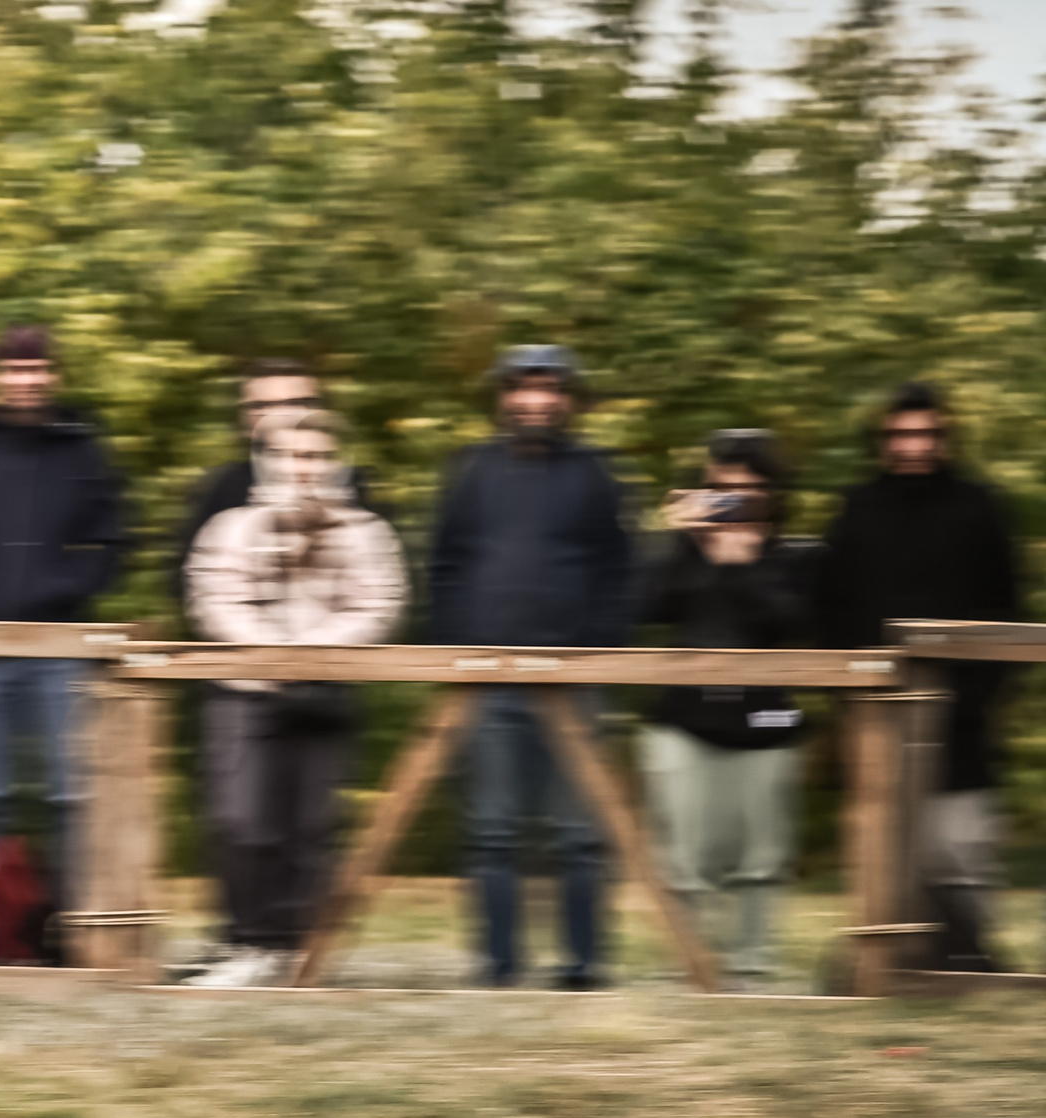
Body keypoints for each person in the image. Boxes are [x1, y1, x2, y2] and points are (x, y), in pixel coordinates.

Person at [428, 345, 633, 989]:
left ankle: (583, 965)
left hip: (576, 680)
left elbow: (620, 568)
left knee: (580, 834)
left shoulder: (596, 472)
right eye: (522, 387)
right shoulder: (470, 468)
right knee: (491, 831)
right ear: (503, 398)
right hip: (487, 680)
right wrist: (455, 651)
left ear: (568, 399)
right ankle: (498, 965)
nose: (536, 400)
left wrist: (595, 651)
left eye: (549, 388)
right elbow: (444, 562)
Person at [187, 409, 405, 988]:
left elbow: (378, 604)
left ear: (335, 463)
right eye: (290, 455)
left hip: (325, 691)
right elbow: (215, 600)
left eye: (315, 456)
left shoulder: (366, 532)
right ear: (266, 461)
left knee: (312, 827)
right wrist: (274, 658)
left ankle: (296, 950)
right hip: (246, 693)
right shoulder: (231, 527)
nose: (302, 468)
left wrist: (311, 657)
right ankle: (247, 942)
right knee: (241, 822)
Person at [817, 382, 1026, 971]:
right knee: (883, 851)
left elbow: (1007, 612)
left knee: (960, 850)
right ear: (884, 440)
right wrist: (851, 694)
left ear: (944, 438)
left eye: (926, 434)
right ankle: (888, 964)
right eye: (902, 434)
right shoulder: (856, 510)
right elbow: (828, 611)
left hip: (962, 720)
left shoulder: (980, 508)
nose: (913, 446)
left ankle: (966, 963)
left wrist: (976, 698)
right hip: (875, 718)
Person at [0, 325, 126, 881]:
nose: (26, 380)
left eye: (36, 369)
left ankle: (72, 913)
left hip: (60, 644)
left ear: (54, 375)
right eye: (14, 369)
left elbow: (114, 535)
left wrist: (66, 587)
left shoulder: (85, 446)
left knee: (70, 791)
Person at [635, 431, 814, 985]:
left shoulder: (795, 556)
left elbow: (796, 625)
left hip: (769, 720)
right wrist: (686, 540)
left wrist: (741, 567)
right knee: (685, 855)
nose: (734, 502)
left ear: (774, 494)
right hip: (683, 720)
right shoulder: (685, 552)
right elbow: (646, 607)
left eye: (748, 491)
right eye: (721, 490)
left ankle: (751, 966)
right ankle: (691, 965)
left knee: (763, 855)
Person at [171, 359, 377, 626]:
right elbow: (196, 586)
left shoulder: (353, 485)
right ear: (245, 420)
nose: (280, 415)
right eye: (262, 405)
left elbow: (375, 595)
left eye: (296, 402)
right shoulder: (220, 491)